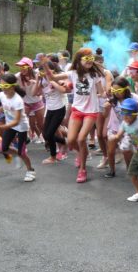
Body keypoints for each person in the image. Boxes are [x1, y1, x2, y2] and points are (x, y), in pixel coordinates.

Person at [43, 48, 105, 183]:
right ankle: (83, 153)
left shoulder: (95, 75)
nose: (89, 61)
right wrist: (45, 65)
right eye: (86, 58)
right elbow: (52, 77)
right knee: (71, 141)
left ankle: (83, 169)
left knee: (81, 139)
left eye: (91, 59)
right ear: (79, 60)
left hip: (91, 111)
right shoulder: (72, 73)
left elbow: (102, 92)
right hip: (77, 110)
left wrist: (104, 94)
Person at [0, 73, 36, 182]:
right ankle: (19, 155)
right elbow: (5, 105)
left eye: (5, 86)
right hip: (10, 124)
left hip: (21, 126)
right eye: (1, 86)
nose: (3, 89)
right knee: (3, 149)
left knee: (22, 152)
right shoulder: (2, 95)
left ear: (12, 86)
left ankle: (30, 170)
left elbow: (16, 121)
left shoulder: (18, 100)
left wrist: (0, 127)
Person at [103, 76, 138, 178]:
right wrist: (106, 109)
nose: (116, 92)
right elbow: (104, 115)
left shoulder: (133, 97)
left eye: (119, 90)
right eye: (114, 90)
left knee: (126, 151)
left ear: (126, 89)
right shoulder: (112, 100)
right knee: (111, 150)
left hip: (129, 129)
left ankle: (129, 169)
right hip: (114, 128)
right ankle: (112, 170)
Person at [34, 61, 69, 164]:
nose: (42, 72)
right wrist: (37, 81)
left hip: (59, 109)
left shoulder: (57, 78)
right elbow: (35, 93)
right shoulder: (42, 81)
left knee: (49, 134)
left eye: (44, 70)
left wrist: (52, 80)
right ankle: (66, 142)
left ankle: (53, 157)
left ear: (51, 71)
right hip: (49, 109)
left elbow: (63, 90)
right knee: (46, 134)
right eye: (40, 70)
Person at [15, 57, 45, 144]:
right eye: (20, 67)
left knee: (41, 124)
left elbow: (47, 81)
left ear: (30, 67)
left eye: (24, 67)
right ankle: (24, 139)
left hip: (37, 101)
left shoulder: (37, 74)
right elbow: (8, 80)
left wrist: (37, 84)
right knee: (21, 121)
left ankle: (48, 140)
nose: (22, 69)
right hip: (25, 102)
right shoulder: (18, 76)